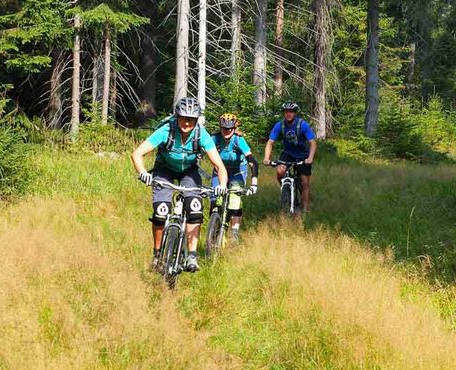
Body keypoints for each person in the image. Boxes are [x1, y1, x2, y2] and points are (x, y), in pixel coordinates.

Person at [131, 97, 228, 272]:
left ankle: (191, 255)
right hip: (164, 170)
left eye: (191, 119)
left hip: (189, 172)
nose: (186, 122)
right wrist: (143, 173)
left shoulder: (201, 135)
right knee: (160, 212)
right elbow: (137, 153)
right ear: (177, 116)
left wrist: (221, 184)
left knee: (195, 209)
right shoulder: (166, 130)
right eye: (183, 118)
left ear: (196, 120)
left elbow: (219, 165)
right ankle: (157, 254)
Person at [210, 113, 259, 242]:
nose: (226, 132)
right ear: (220, 128)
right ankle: (213, 229)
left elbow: (252, 161)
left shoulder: (238, 140)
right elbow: (201, 153)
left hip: (238, 171)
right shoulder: (214, 138)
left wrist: (254, 183)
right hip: (219, 170)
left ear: (234, 128)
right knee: (215, 198)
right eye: (223, 129)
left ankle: (235, 233)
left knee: (235, 199)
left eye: (229, 129)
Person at [263, 101, 317, 213]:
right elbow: (270, 142)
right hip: (288, 154)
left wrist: (310, 158)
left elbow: (312, 142)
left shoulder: (302, 125)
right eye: (286, 112)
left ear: (295, 113)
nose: (288, 114)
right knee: (279, 171)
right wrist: (267, 158)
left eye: (291, 112)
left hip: (303, 155)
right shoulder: (280, 125)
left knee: (304, 181)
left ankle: (305, 210)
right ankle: (286, 190)